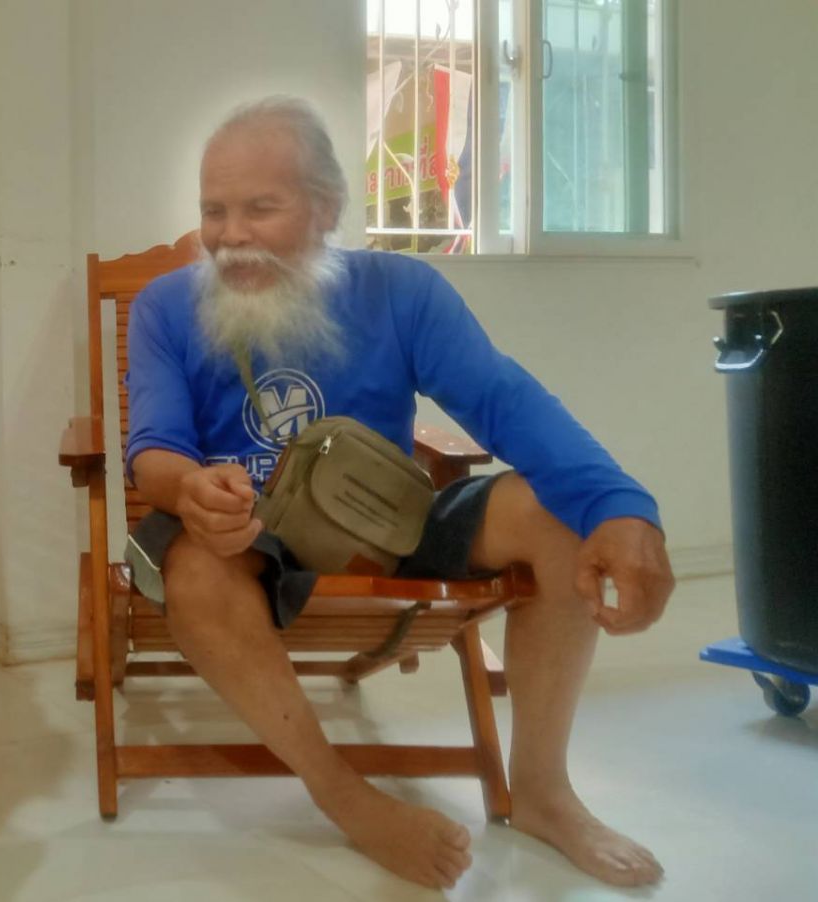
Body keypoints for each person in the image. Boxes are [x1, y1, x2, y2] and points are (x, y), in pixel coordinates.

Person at [123, 96, 673, 890]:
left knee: (558, 513)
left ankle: (544, 793)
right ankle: (345, 797)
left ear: (326, 207)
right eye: (214, 210)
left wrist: (621, 507)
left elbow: (502, 401)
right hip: (246, 539)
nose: (230, 234)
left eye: (260, 208)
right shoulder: (166, 307)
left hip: (385, 519)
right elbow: (155, 452)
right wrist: (191, 487)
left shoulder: (401, 290)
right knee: (195, 569)